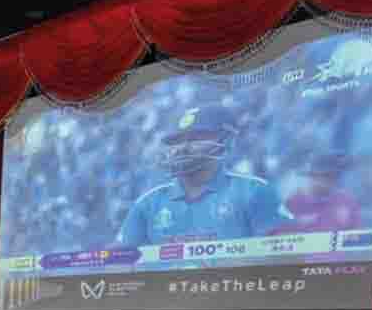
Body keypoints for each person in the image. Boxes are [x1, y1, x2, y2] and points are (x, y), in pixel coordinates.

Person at [118, 105, 289, 248]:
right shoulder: (147, 204)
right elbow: (120, 263)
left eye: (196, 138)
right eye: (176, 141)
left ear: (226, 141)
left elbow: (285, 254)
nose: (183, 148)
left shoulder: (254, 191)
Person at [285, 152, 362, 233]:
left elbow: (356, 236)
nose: (323, 181)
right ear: (311, 176)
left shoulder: (347, 202)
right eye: (319, 175)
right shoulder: (294, 202)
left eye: (329, 176)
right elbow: (282, 235)